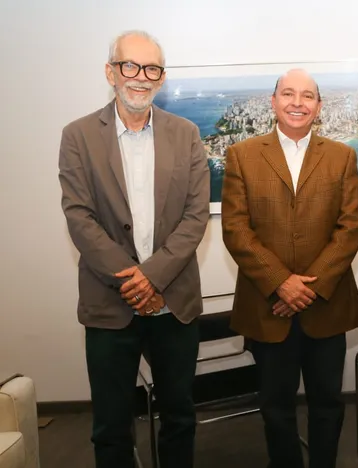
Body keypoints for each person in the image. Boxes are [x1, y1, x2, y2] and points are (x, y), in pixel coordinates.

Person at [58, 30, 210, 468]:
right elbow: (79, 218)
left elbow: (195, 217)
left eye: (152, 69)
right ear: (111, 72)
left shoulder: (187, 134)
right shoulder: (78, 136)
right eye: (131, 66)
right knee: (110, 427)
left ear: (161, 78)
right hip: (110, 303)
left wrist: (154, 277)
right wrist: (134, 280)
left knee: (179, 417)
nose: (141, 77)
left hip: (173, 302)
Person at [221, 68, 358, 468]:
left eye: (307, 96)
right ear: (273, 101)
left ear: (319, 106)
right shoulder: (242, 155)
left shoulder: (342, 156)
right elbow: (235, 228)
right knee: (275, 406)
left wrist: (307, 288)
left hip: (326, 305)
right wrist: (281, 283)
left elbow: (350, 228)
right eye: (288, 94)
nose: (297, 102)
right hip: (268, 306)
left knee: (328, 404)